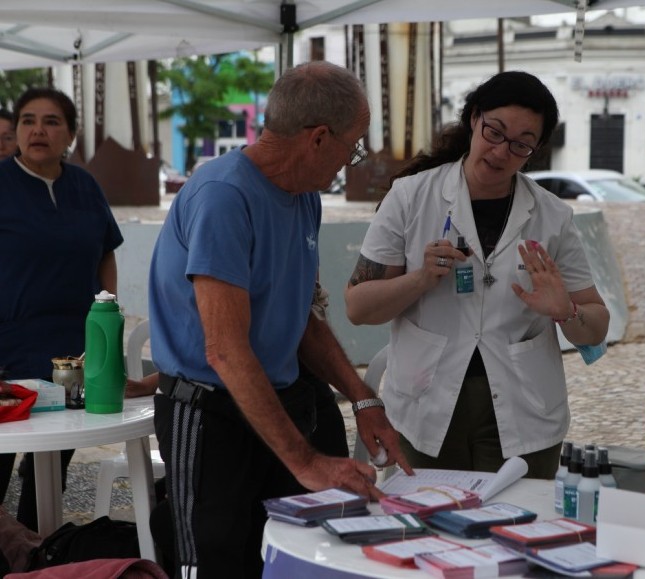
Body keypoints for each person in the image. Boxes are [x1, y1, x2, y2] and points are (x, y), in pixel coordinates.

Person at [148, 60, 411, 578]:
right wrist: (306, 462)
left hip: (278, 401)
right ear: (318, 138)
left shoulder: (303, 195)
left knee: (290, 558)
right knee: (216, 565)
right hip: (211, 414)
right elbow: (225, 350)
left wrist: (363, 397)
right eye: (353, 145)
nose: (351, 160)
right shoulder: (224, 196)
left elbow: (302, 317)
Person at [345, 71, 610, 480]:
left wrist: (566, 311)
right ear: (473, 119)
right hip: (425, 405)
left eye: (520, 144)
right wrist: (419, 279)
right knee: (429, 517)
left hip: (524, 414)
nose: (501, 152)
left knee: (519, 518)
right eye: (494, 132)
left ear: (535, 151)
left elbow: (596, 326)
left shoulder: (552, 216)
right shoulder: (411, 197)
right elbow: (357, 307)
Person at [0, 88, 123, 530]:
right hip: (8, 352)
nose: (38, 130)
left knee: (50, 474)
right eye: (28, 120)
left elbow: (106, 252)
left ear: (70, 134)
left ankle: (39, 554)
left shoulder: (85, 186)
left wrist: (107, 314)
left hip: (73, 357)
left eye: (51, 121)